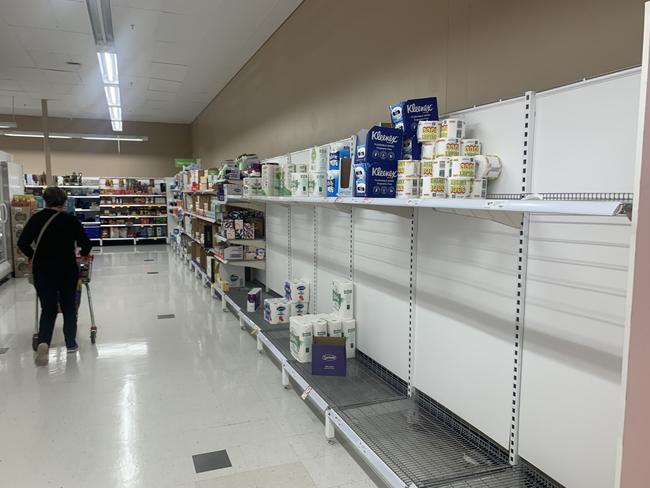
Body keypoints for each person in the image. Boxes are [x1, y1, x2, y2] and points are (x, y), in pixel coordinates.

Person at [18, 186, 92, 366]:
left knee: (48, 308)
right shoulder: (70, 220)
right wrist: (82, 253)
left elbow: (22, 243)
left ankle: (43, 342)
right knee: (68, 306)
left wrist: (32, 255)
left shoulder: (36, 219)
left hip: (43, 270)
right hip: (67, 268)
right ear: (64, 201)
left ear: (45, 200)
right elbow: (86, 243)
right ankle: (70, 343)